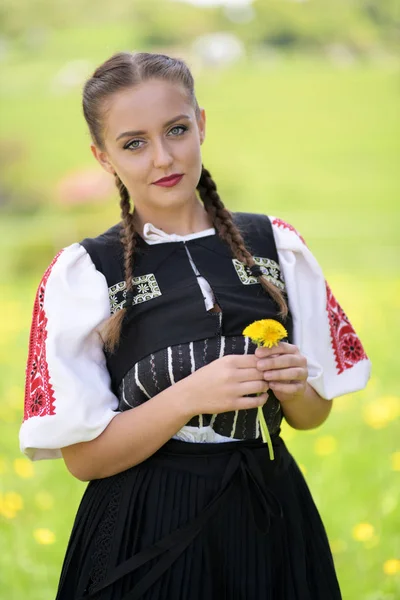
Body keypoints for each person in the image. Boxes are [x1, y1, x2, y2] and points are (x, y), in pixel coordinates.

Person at [19, 51, 371, 600]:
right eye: (133, 143)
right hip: (145, 528)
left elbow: (312, 416)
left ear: (201, 123)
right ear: (103, 157)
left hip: (269, 514)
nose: (163, 158)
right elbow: (83, 459)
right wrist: (188, 396)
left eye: (177, 130)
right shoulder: (84, 273)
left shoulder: (276, 245)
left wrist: (296, 385)